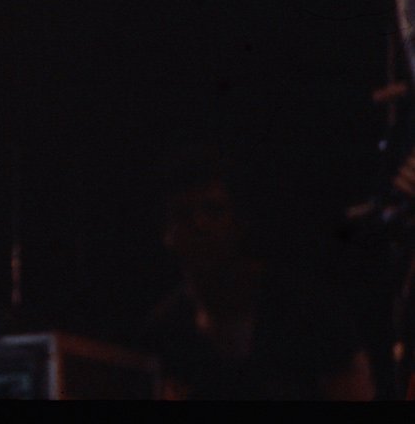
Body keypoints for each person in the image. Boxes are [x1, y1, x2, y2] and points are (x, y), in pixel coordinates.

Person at [139, 142, 375, 400]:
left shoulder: (308, 309)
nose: (199, 224)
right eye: (183, 215)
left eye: (213, 210)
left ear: (240, 223)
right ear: (167, 234)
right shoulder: (169, 329)